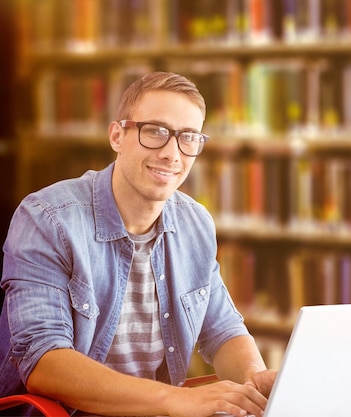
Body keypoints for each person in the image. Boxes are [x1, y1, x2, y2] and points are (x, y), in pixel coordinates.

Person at [0, 71, 276, 417]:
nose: (172, 154)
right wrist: (177, 401)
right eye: (156, 132)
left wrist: (255, 383)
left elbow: (223, 330)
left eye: (188, 137)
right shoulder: (46, 218)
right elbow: (43, 360)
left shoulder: (195, 222)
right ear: (117, 136)